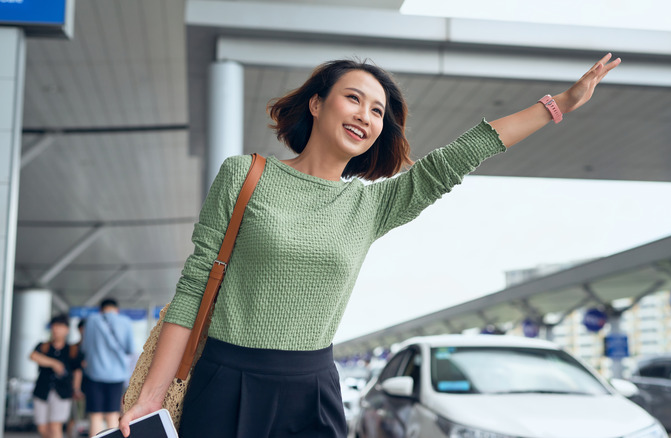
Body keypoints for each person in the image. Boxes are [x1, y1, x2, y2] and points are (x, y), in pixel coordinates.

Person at [120, 53, 621, 437]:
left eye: (378, 110)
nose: (365, 115)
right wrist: (152, 396)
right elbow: (192, 287)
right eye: (353, 98)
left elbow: (456, 159)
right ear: (316, 103)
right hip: (227, 381)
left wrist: (558, 105)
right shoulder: (244, 175)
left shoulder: (371, 206)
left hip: (312, 388)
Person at [81, 299, 134, 436]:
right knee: (112, 414)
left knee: (95, 416)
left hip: (94, 374)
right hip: (117, 376)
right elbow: (130, 349)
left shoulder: (92, 320)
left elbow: (85, 347)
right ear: (117, 310)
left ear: (101, 310)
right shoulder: (125, 322)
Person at [29, 314, 84, 438]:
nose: (56, 330)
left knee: (55, 425)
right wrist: (54, 363)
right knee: (42, 427)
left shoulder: (72, 349)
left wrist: (76, 389)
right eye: (54, 326)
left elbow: (77, 371)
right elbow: (33, 356)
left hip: (63, 391)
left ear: (66, 329)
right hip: (42, 390)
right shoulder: (44, 346)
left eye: (60, 326)